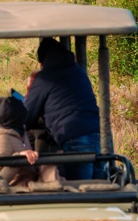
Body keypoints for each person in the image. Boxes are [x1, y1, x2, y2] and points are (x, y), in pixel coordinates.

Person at [23, 36, 102, 180]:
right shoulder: (78, 71)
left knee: (79, 189)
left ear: (42, 62)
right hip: (98, 135)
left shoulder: (44, 78)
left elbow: (28, 116)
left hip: (74, 138)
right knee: (100, 188)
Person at [0, 95, 40, 187]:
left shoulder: (19, 131)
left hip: (31, 185)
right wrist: (17, 159)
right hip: (16, 191)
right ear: (17, 118)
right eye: (23, 117)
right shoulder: (0, 140)